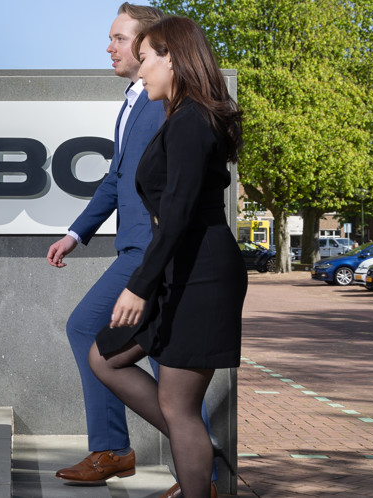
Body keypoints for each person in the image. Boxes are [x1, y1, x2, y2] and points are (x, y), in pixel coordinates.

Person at [88, 15, 246, 498]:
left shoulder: (192, 121)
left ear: (173, 58)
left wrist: (139, 284)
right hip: (183, 270)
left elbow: (176, 214)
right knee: (105, 356)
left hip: (200, 275)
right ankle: (192, 442)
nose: (139, 69)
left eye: (148, 57)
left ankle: (194, 460)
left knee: (179, 406)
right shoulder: (184, 118)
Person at [45, 2, 168, 486]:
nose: (109, 46)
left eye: (119, 38)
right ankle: (183, 463)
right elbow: (116, 180)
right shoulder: (135, 99)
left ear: (145, 44)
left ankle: (118, 449)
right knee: (165, 361)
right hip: (140, 249)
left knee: (87, 328)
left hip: (151, 252)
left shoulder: (160, 103)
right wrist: (76, 233)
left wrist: (155, 257)